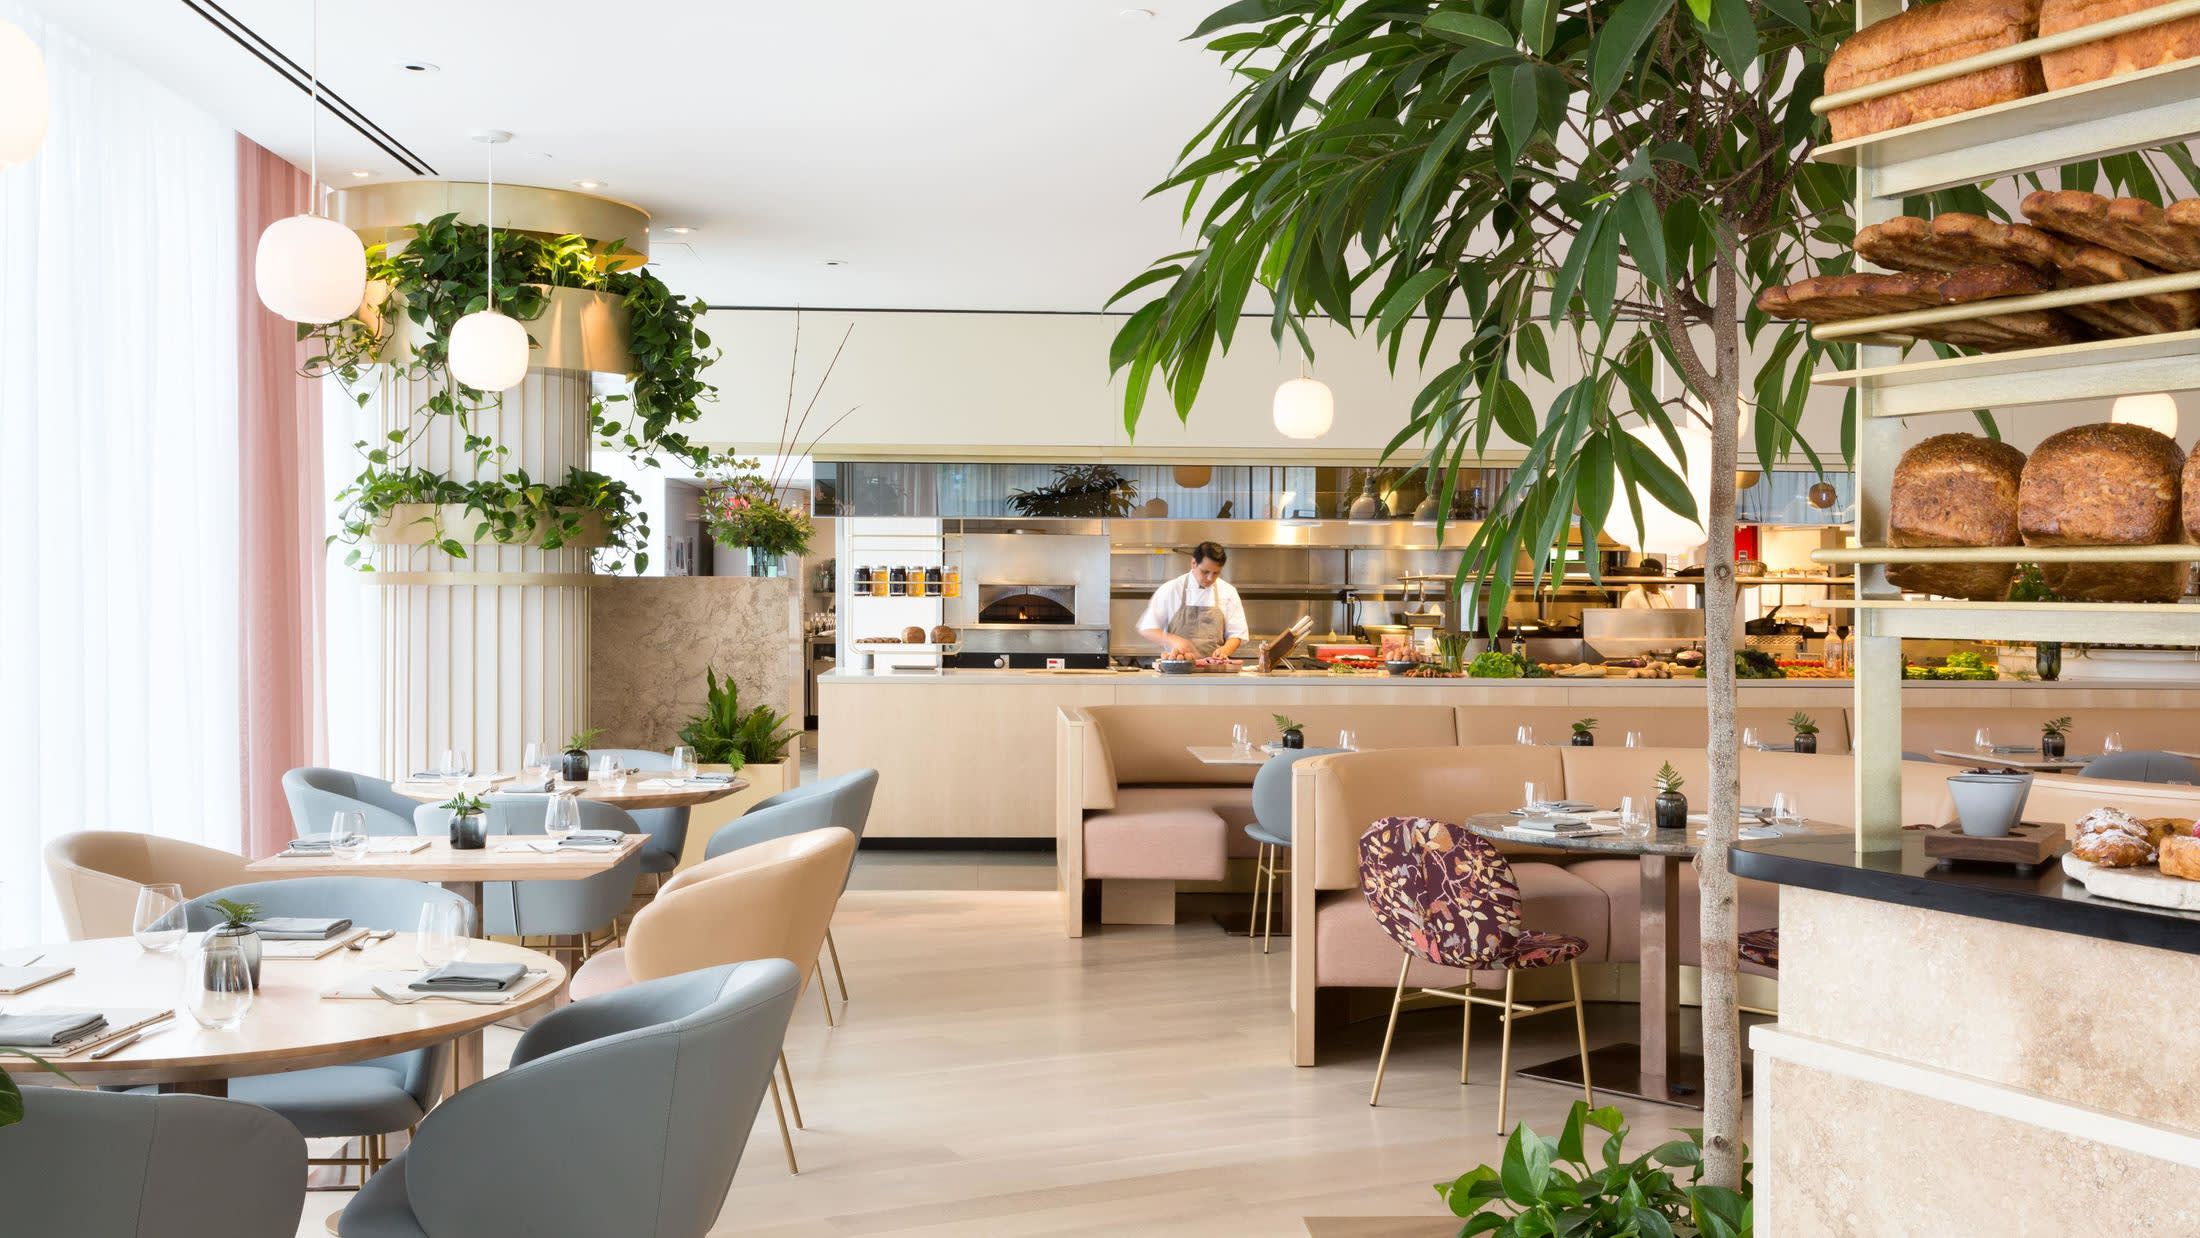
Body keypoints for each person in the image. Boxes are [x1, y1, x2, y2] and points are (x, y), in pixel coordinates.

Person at [1136, 541, 1247, 665]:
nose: (1210, 578)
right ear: (1193, 563)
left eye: (1216, 573)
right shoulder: (1171, 589)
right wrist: (1174, 640)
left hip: (1215, 671)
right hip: (1178, 669)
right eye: (1205, 572)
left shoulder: (1228, 592)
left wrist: (1225, 650)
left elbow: (1237, 633)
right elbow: (1147, 628)